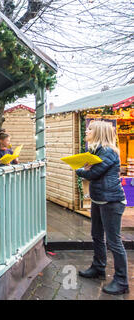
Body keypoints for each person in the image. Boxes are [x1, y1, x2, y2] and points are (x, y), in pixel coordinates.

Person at [76, 121, 129, 295]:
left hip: (111, 202)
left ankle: (122, 281)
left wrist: (80, 170)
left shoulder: (107, 152)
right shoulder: (97, 151)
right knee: (97, 235)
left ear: (98, 132)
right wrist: (86, 167)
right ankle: (98, 267)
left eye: (90, 129)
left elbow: (93, 174)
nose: (86, 130)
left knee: (114, 242)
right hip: (99, 200)